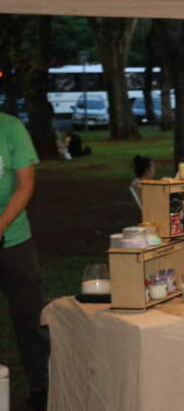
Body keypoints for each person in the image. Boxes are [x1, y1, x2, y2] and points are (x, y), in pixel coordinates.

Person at [0, 111, 49, 410]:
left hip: (14, 241)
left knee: (30, 319)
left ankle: (42, 387)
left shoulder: (10, 127)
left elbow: (25, 184)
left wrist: (1, 224)